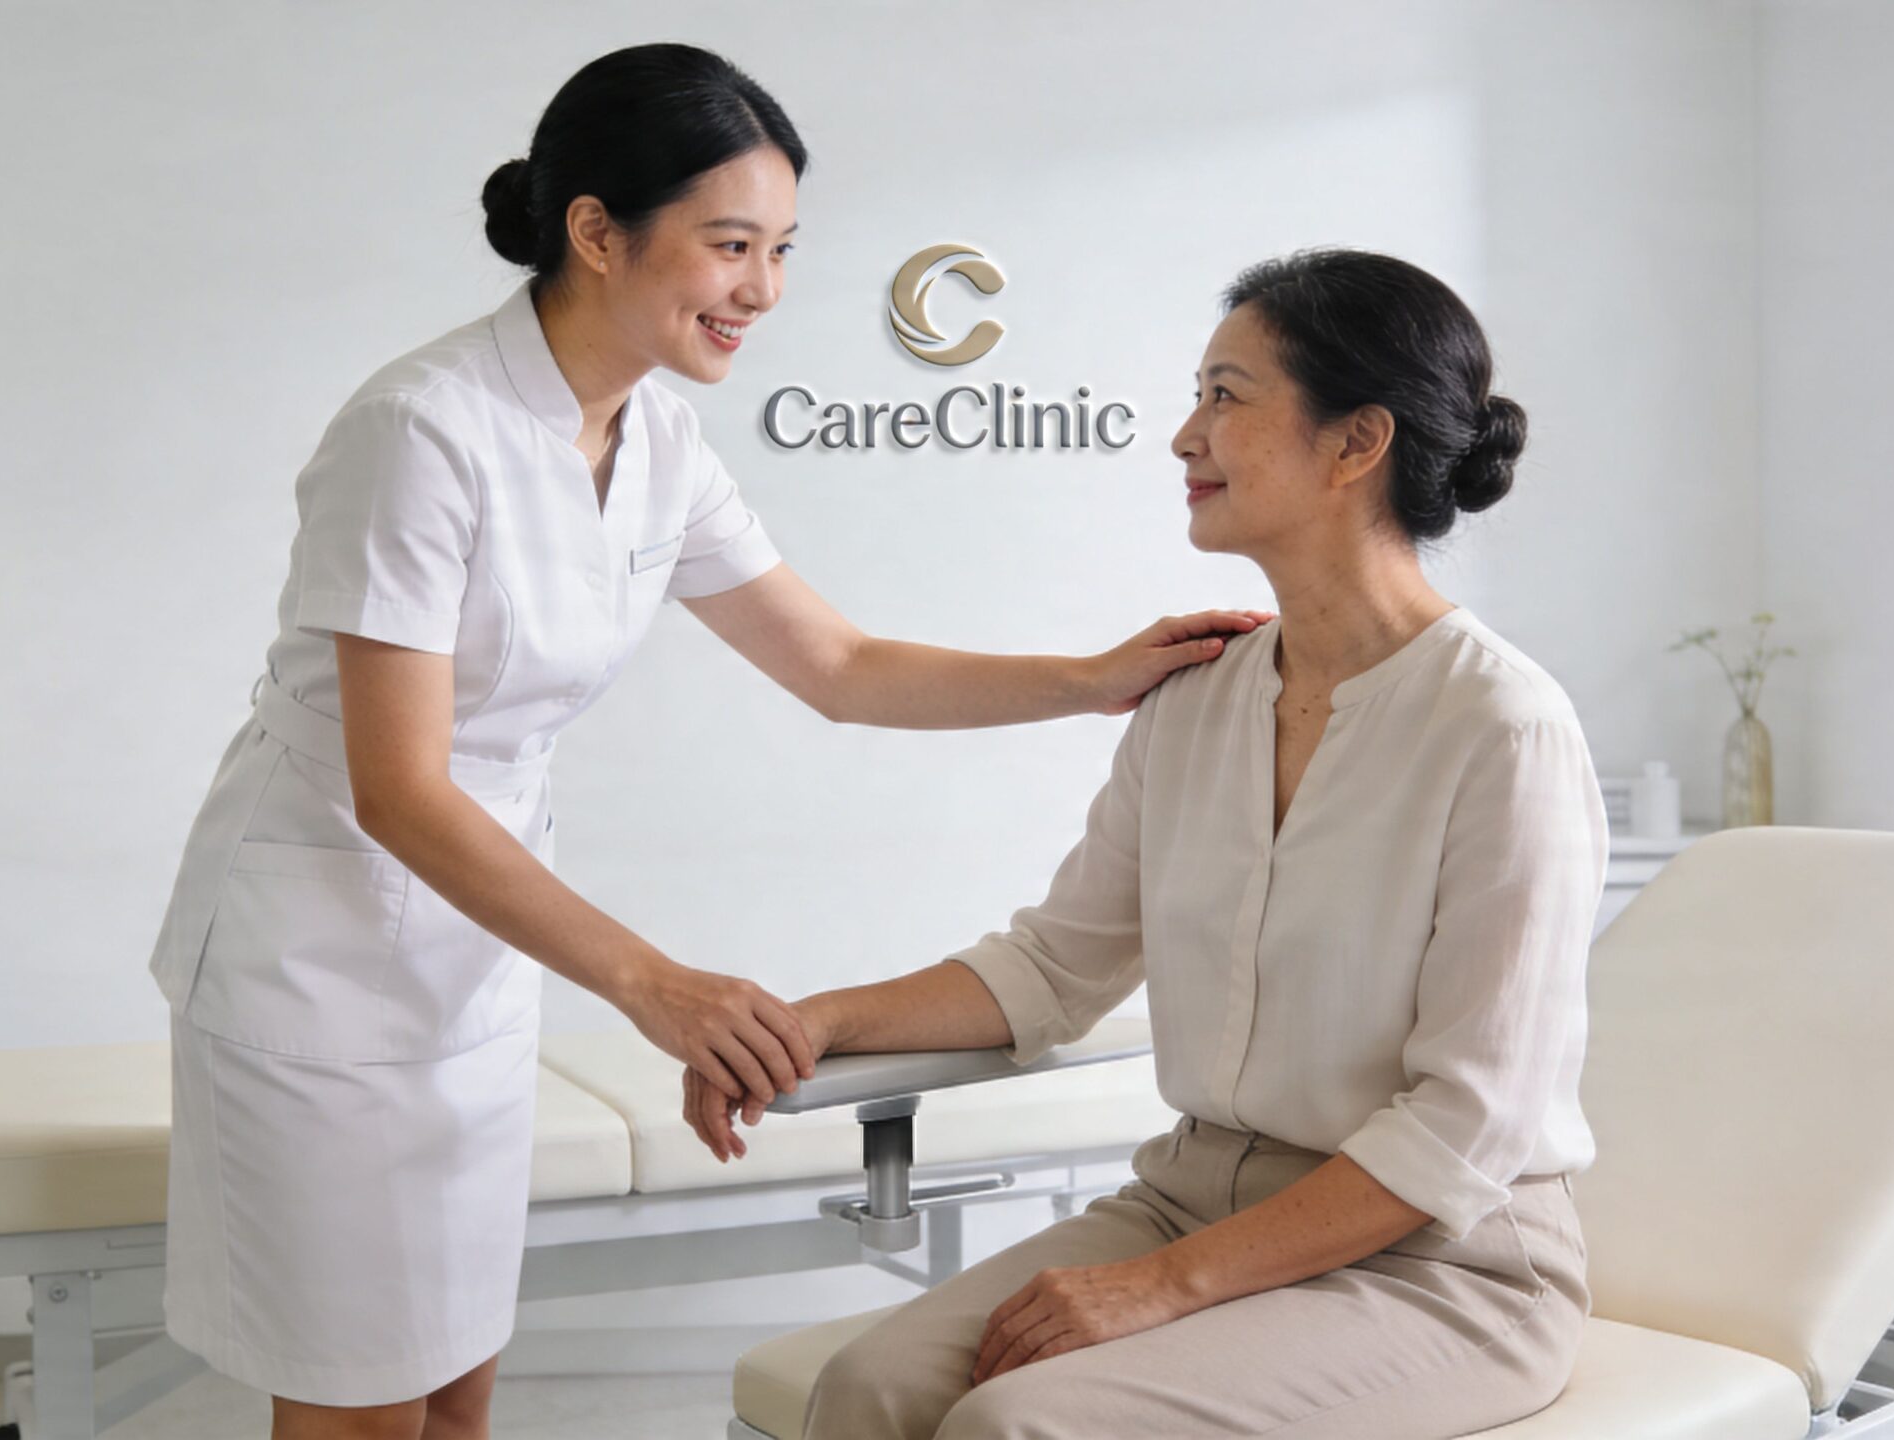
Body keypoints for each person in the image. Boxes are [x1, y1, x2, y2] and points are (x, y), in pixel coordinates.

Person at [142, 42, 1263, 1440]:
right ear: (597, 232)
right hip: (315, 965)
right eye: (731, 245)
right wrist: (655, 986)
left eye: (781, 249)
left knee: (455, 1385)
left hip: (473, 959)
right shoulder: (420, 430)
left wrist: (1093, 676)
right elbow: (400, 790)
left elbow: (839, 665)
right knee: (363, 1407)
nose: (764, 291)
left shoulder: (655, 444)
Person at [686, 248, 1610, 1440]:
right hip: (1187, 1202)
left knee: (1016, 1425)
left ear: (1353, 442)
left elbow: (1462, 1128)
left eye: (1225, 396)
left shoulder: (1500, 726)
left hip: (1439, 1264)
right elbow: (1051, 968)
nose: (1183, 434)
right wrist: (814, 1024)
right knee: (865, 1391)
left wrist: (1160, 1290)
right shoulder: (1198, 695)